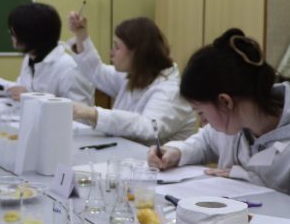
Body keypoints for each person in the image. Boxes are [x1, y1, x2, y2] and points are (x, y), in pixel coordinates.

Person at [148, 28, 290, 215]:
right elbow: (206, 142)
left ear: (225, 101)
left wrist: (245, 178)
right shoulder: (238, 122)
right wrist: (177, 152)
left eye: (202, 113)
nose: (202, 123)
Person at [66, 12, 197, 145]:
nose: (111, 52)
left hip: (160, 158)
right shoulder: (137, 75)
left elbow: (148, 127)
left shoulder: (170, 91)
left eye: (117, 47)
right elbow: (96, 71)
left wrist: (94, 114)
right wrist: (80, 34)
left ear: (137, 53)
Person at [0, 2, 93, 104]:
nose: (11, 35)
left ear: (31, 35)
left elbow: (83, 118)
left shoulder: (70, 68)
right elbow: (18, 91)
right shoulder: (32, 58)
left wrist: (33, 99)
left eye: (14, 32)